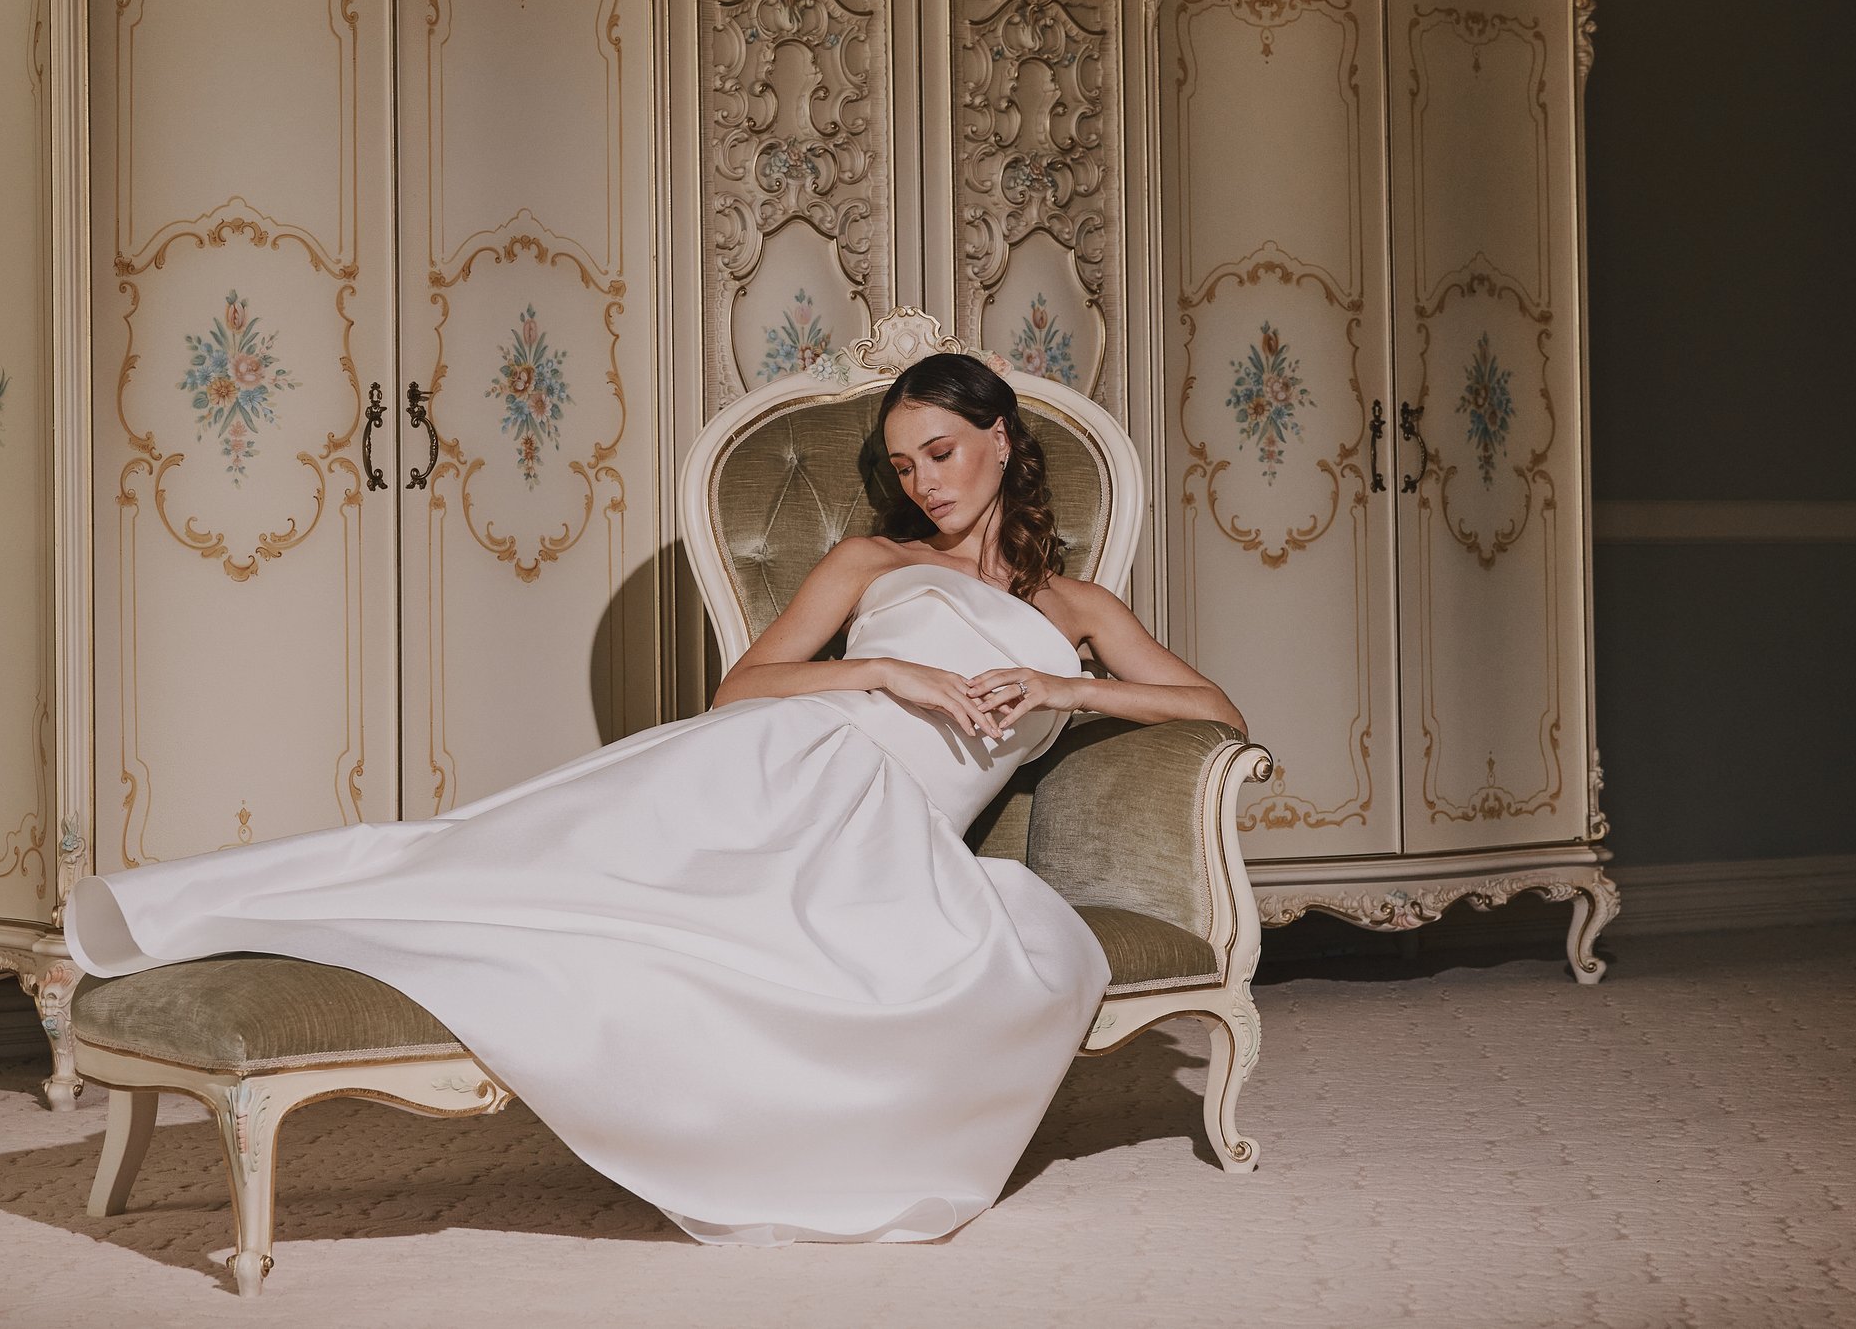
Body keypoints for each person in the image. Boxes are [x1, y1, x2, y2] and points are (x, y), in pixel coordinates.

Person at [65, 353, 1246, 1246]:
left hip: (894, 837)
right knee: (495, 858)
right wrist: (883, 667)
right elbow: (744, 688)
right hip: (784, 761)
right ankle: (194, 918)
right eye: (901, 463)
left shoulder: (1079, 609)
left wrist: (1065, 686)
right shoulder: (871, 563)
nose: (922, 480)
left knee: (621, 932)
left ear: (1000, 437)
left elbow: (1215, 711)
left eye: (940, 451)